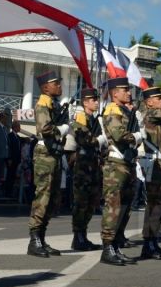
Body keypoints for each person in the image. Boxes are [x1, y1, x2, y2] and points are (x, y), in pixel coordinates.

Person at [99, 77, 142, 266]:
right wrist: (137, 136)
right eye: (125, 90)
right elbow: (118, 135)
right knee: (113, 208)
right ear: (114, 93)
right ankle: (107, 248)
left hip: (128, 163)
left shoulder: (126, 111)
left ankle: (116, 245)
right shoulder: (112, 110)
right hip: (115, 165)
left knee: (125, 207)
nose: (129, 93)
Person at [27, 71, 68, 257]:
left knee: (53, 198)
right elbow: (45, 128)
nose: (59, 86)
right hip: (45, 154)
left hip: (55, 153)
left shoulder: (55, 104)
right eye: (55, 83)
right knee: (43, 197)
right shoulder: (43, 102)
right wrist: (62, 129)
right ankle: (34, 240)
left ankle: (42, 238)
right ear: (45, 87)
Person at [70, 87, 105, 251]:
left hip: (94, 163)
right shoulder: (81, 117)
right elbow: (84, 138)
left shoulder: (95, 120)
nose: (96, 102)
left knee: (92, 202)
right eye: (93, 100)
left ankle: (83, 234)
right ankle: (78, 237)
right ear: (85, 102)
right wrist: (99, 140)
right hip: (83, 164)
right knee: (81, 202)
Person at [138, 85, 161, 260]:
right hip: (153, 163)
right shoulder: (149, 114)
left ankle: (153, 239)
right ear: (149, 102)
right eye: (158, 98)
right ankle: (148, 242)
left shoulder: (158, 119)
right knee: (153, 203)